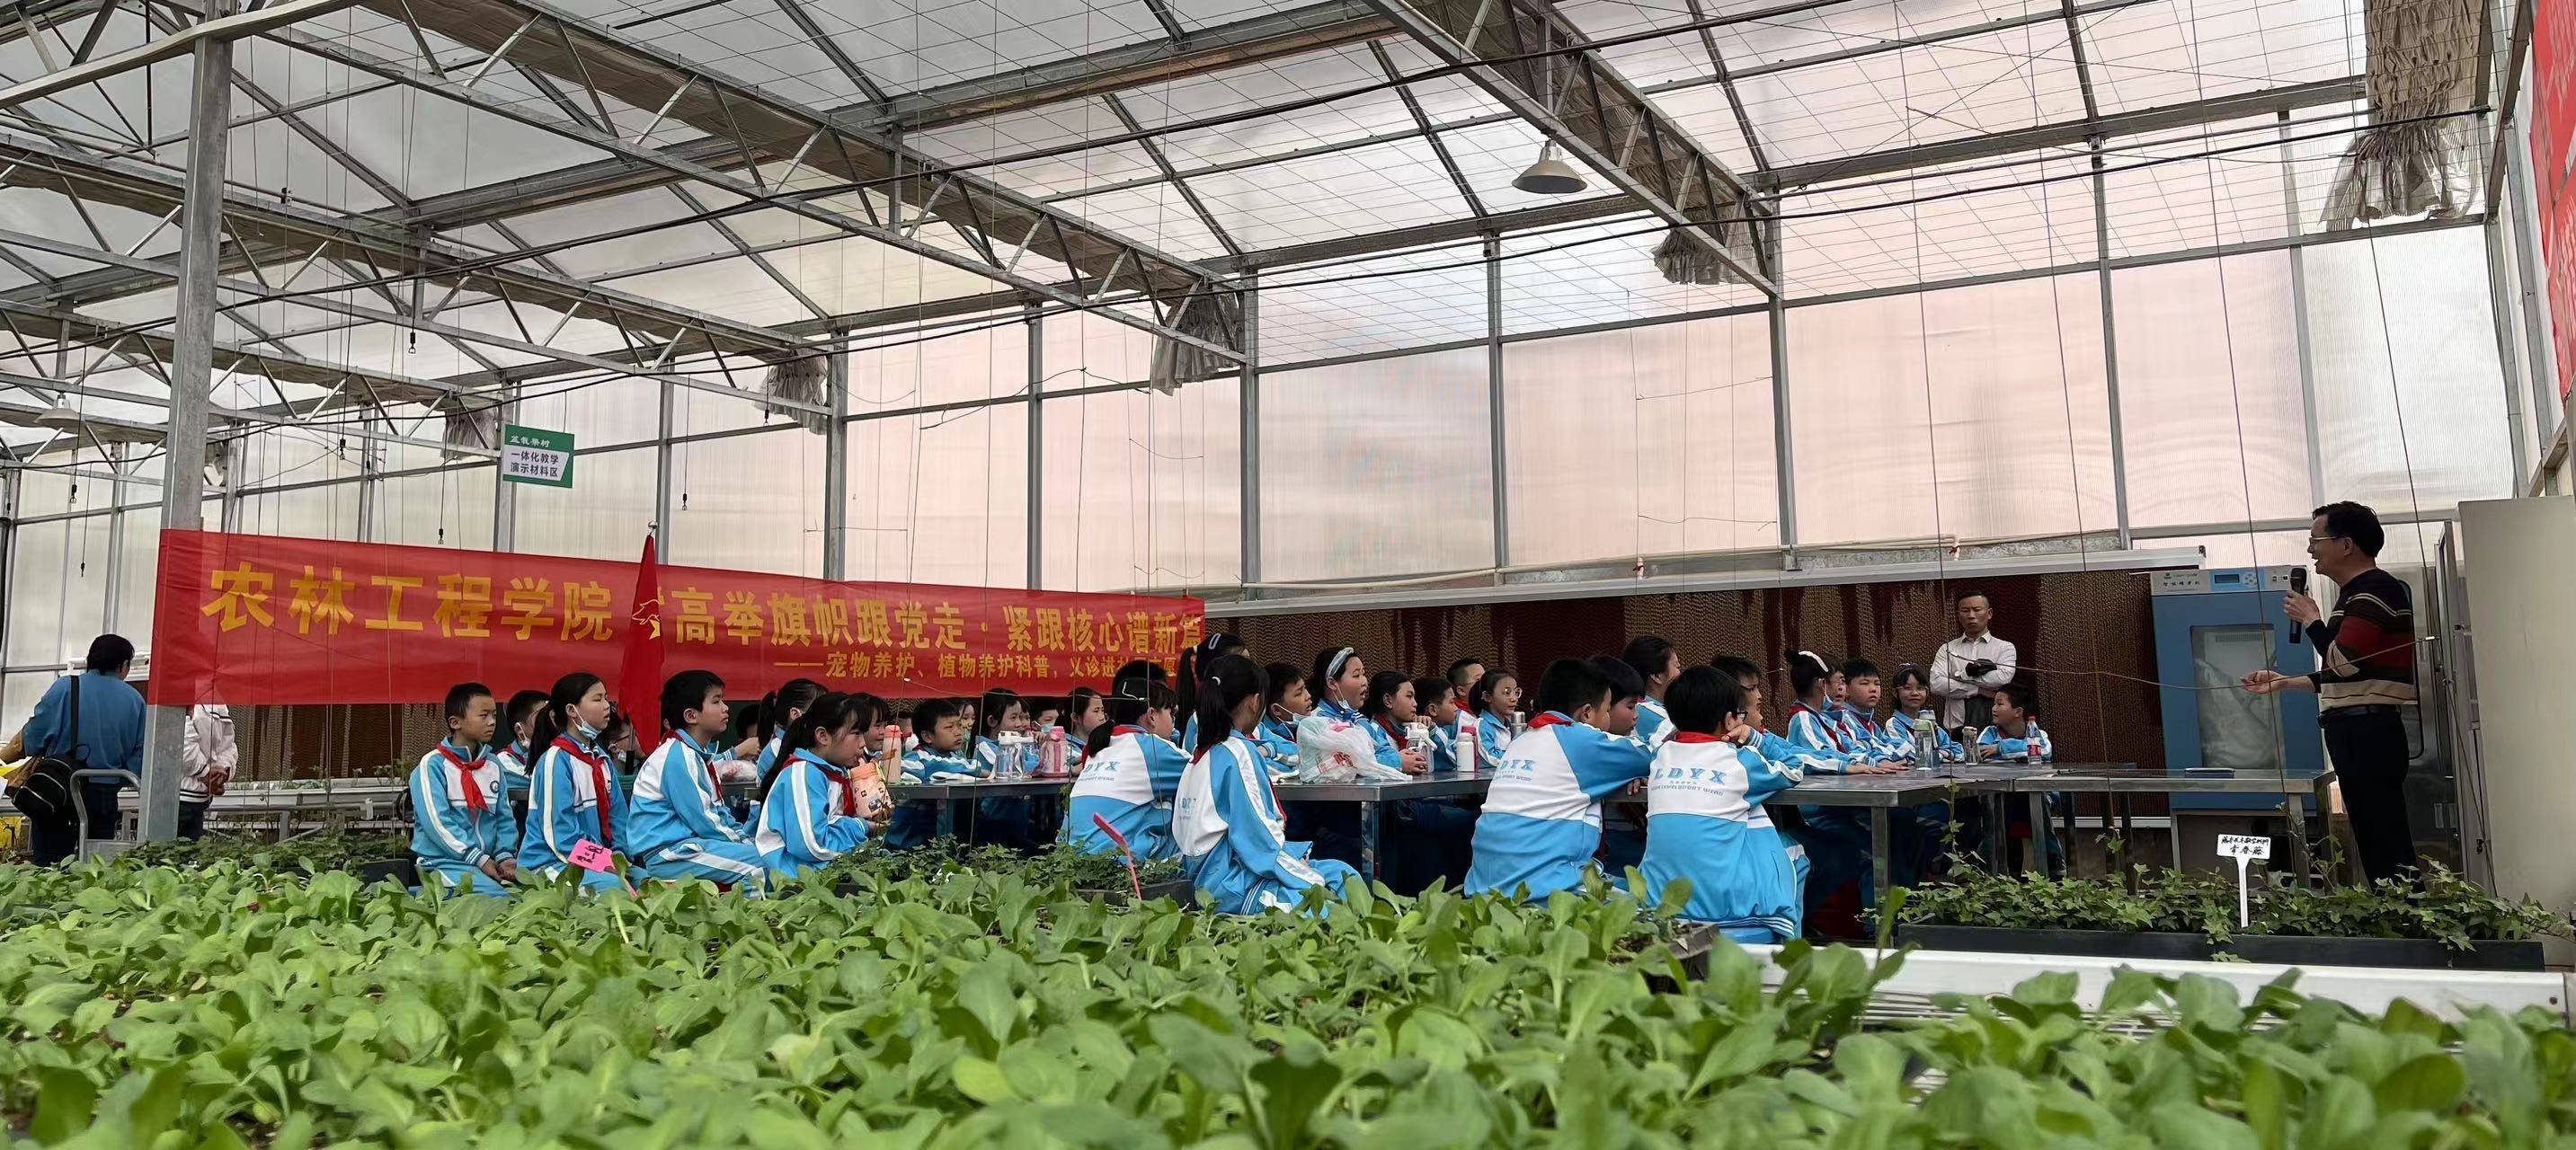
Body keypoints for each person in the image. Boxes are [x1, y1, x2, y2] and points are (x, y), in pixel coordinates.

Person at [2241, 500, 2421, 883]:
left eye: (2315, 540)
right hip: (2362, 729)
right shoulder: (2356, 594)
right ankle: (2396, 907)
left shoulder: (2373, 589)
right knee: (2376, 836)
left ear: (2346, 544)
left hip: (2367, 732)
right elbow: (2348, 675)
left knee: (2384, 839)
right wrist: (2284, 681)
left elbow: (2345, 664)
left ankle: (2404, 911)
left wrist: (2311, 620)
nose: (2310, 550)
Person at [1173, 655, 1358, 913]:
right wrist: (1311, 879)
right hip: (1232, 887)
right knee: (1332, 898)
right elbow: (1262, 845)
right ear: (1255, 701)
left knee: (1341, 874)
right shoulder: (1238, 752)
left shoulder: (1202, 753)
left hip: (1213, 878)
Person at [1635, 668, 1808, 942]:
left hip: (1659, 903)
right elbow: (1794, 767)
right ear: (1729, 720)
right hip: (1721, 908)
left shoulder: (1661, 757)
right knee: (1793, 850)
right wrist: (1752, 736)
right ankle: (1788, 944)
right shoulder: (1741, 761)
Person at [1462, 659, 1655, 901]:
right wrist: (1634, 771)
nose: (1607, 717)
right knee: (1649, 904)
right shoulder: (1582, 741)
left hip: (1483, 894)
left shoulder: (1521, 740)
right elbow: (1653, 755)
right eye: (1606, 710)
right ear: (1586, 713)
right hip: (1545, 895)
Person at [8, 634, 145, 864]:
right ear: (123, 666)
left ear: (90, 660)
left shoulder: (66, 688)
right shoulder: (135, 700)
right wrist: (116, 779)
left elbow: (34, 737)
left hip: (57, 788)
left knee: (50, 866)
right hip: (104, 793)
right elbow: (139, 756)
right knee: (94, 865)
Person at [627, 670, 769, 890]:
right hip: (670, 854)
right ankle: (745, 914)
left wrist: (746, 842)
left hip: (688, 847)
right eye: (716, 701)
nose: (725, 708)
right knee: (760, 866)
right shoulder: (679, 755)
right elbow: (706, 821)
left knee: (763, 857)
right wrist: (749, 846)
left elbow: (717, 813)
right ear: (691, 716)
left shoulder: (692, 753)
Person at [514, 672, 630, 892]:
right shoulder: (555, 760)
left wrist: (619, 857)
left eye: (606, 698)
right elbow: (561, 837)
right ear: (571, 710)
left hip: (597, 861)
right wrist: (605, 863)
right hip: (550, 863)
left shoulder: (601, 760)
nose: (607, 705)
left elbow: (619, 819)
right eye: (597, 699)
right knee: (618, 890)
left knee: (648, 883)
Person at [754, 693, 890, 879]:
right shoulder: (805, 772)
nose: (862, 744)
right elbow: (811, 845)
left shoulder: (835, 772)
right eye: (856, 734)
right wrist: (860, 826)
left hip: (821, 866)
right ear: (823, 736)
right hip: (793, 874)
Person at [408, 683, 517, 897]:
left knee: (526, 893)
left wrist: (505, 857)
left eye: (494, 715)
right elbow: (437, 824)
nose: (492, 722)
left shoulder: (493, 765)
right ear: (455, 722)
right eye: (483, 715)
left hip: (486, 864)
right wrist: (479, 859)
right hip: (441, 864)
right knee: (498, 898)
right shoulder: (432, 766)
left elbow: (504, 818)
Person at [1063, 677, 1189, 859]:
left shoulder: (1102, 744)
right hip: (1116, 862)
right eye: (1171, 714)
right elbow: (1205, 772)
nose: (1173, 722)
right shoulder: (1152, 747)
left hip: (1071, 856)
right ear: (1151, 715)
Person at [888, 697, 976, 849]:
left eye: (959, 725)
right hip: (905, 846)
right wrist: (980, 770)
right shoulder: (917, 759)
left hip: (932, 840)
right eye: (949, 727)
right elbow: (942, 766)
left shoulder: (954, 757)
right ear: (928, 736)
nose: (958, 732)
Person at [1929, 590, 2017, 737]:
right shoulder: (1948, 649)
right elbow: (1936, 683)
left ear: (1989, 613)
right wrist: (1977, 690)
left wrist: (1962, 676)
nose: (1971, 615)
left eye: (1977, 610)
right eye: (1965, 611)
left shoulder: (2004, 647)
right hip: (1956, 730)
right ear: (1958, 616)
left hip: (1996, 729)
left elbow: (2003, 678)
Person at [1176, 632, 1248, 748]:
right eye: (1244, 663)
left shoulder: (1250, 710)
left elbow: (1279, 743)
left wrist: (1268, 749)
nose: (1252, 669)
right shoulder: (1198, 721)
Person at [1882, 665, 1965, 763]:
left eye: (1920, 688)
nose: (1915, 693)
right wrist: (1943, 755)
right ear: (1895, 693)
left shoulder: (1929, 723)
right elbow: (1910, 755)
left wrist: (1943, 754)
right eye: (1907, 688)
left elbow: (1959, 751)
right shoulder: (1893, 725)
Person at [178, 703, 236, 840]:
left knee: (167, 849)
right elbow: (228, 746)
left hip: (181, 795)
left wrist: (216, 775)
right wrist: (216, 775)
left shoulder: (215, 703)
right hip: (192, 795)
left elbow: (180, 742)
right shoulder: (218, 703)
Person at [493, 689, 549, 823]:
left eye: (552, 717)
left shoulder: (559, 754)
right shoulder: (502, 763)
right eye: (541, 719)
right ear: (519, 729)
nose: (549, 725)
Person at [1621, 636, 1683, 751]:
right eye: (1677, 666)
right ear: (1657, 676)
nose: (1681, 673)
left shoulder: (1631, 706)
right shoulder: (1657, 716)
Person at [754, 678, 828, 774]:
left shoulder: (808, 744)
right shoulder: (775, 750)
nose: (828, 718)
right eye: (821, 712)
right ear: (796, 714)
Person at [1973, 681, 2054, 763]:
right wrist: (2024, 753)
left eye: (1999, 704)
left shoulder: (2036, 734)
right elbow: (1979, 755)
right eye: (1994, 704)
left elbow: (2045, 751)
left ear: (2017, 712)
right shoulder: (1991, 732)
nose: (1993, 709)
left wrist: (1999, 748)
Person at [1254, 663, 1310, 774]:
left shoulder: (1312, 724)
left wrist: (1271, 749)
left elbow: (1297, 750)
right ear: (1277, 710)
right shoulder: (1261, 730)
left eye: (1305, 688)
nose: (1308, 696)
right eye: (1299, 693)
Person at [1468, 669, 1523, 767]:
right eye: (1507, 692)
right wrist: (1519, 757)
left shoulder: (1510, 724)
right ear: (1487, 697)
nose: (1514, 698)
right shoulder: (1481, 726)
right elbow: (1491, 758)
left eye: (1516, 692)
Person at [1412, 676, 1463, 772]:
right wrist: (1433, 730)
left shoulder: (1442, 731)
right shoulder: (1426, 732)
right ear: (1433, 710)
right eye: (1452, 702)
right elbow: (1458, 759)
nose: (1456, 708)